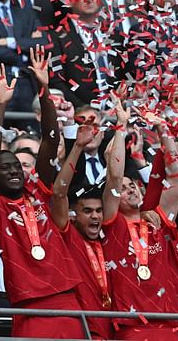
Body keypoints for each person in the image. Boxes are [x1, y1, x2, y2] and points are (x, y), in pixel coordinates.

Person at [0, 49, 85, 338]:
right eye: (6, 168)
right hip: (27, 306)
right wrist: (1, 105)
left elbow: (51, 141)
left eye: (17, 166)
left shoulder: (37, 191)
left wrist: (44, 88)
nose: (15, 171)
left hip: (67, 298)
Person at [100, 111, 178, 339]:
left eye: (134, 185)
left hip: (168, 326)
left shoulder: (158, 222)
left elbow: (176, 177)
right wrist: (121, 125)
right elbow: (115, 177)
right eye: (125, 188)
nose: (130, 189)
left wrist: (162, 128)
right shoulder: (112, 223)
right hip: (130, 328)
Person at [49, 96, 129, 340]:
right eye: (87, 211)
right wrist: (77, 147)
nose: (95, 216)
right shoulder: (68, 234)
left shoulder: (110, 235)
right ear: (73, 216)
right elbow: (59, 192)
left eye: (98, 211)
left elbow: (115, 181)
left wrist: (120, 130)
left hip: (114, 329)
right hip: (81, 330)